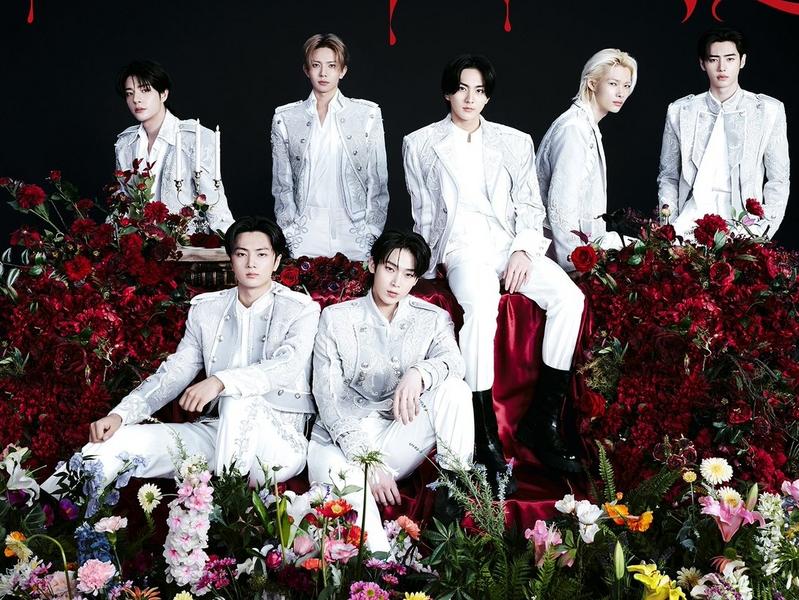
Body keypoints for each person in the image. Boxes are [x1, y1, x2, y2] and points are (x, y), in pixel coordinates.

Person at [402, 54, 586, 491]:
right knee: (482, 310)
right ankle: (484, 437)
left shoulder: (515, 141)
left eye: (480, 91)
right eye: (462, 89)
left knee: (570, 298)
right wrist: (429, 261)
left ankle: (542, 422)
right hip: (462, 248)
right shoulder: (420, 143)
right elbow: (423, 212)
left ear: (488, 96)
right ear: (448, 92)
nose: (471, 98)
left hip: (507, 244)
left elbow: (530, 205)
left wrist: (524, 249)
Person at [43, 216, 320, 492]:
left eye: (261, 254)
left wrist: (221, 382)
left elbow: (286, 365)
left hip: (279, 444)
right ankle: (42, 506)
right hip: (217, 432)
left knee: (236, 399)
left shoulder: (300, 309)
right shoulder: (207, 310)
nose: (251, 263)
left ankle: (223, 505)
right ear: (231, 259)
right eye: (241, 254)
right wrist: (121, 415)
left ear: (276, 261)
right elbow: (173, 374)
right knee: (119, 442)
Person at [307, 229, 474, 552]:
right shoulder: (336, 318)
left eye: (408, 274)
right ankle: (381, 568)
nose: (396, 282)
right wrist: (367, 461)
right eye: (390, 268)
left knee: (455, 390)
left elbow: (455, 363)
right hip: (340, 442)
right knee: (360, 517)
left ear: (416, 280)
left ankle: (449, 518)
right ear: (373, 265)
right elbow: (327, 400)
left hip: (397, 433)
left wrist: (419, 373)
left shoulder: (433, 318)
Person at [657, 26, 790, 238]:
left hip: (745, 223)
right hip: (689, 221)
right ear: (702, 63)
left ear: (742, 61)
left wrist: (762, 231)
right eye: (713, 60)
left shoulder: (768, 111)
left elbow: (778, 179)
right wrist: (669, 224)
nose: (722, 67)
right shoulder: (680, 111)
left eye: (730, 59)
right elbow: (668, 176)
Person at [271, 33, 389, 260]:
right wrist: (289, 230)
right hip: (305, 231)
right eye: (316, 65)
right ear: (306, 70)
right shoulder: (285, 118)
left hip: (354, 230)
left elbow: (378, 180)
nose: (323, 73)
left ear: (342, 71)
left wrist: (371, 231)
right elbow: (281, 183)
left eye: (331, 66)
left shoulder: (367, 114)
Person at [536, 48, 637, 271]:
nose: (621, 93)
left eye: (626, 86)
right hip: (556, 251)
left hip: (584, 245)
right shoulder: (574, 128)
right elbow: (562, 208)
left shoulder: (587, 125)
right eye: (613, 84)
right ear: (592, 83)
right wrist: (575, 267)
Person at [114, 59, 235, 233]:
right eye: (129, 93)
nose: (136, 99)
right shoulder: (125, 143)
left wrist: (231, 241)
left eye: (145, 90)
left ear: (163, 94)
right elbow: (122, 201)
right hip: (139, 244)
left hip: (186, 244)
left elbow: (214, 204)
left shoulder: (194, 138)